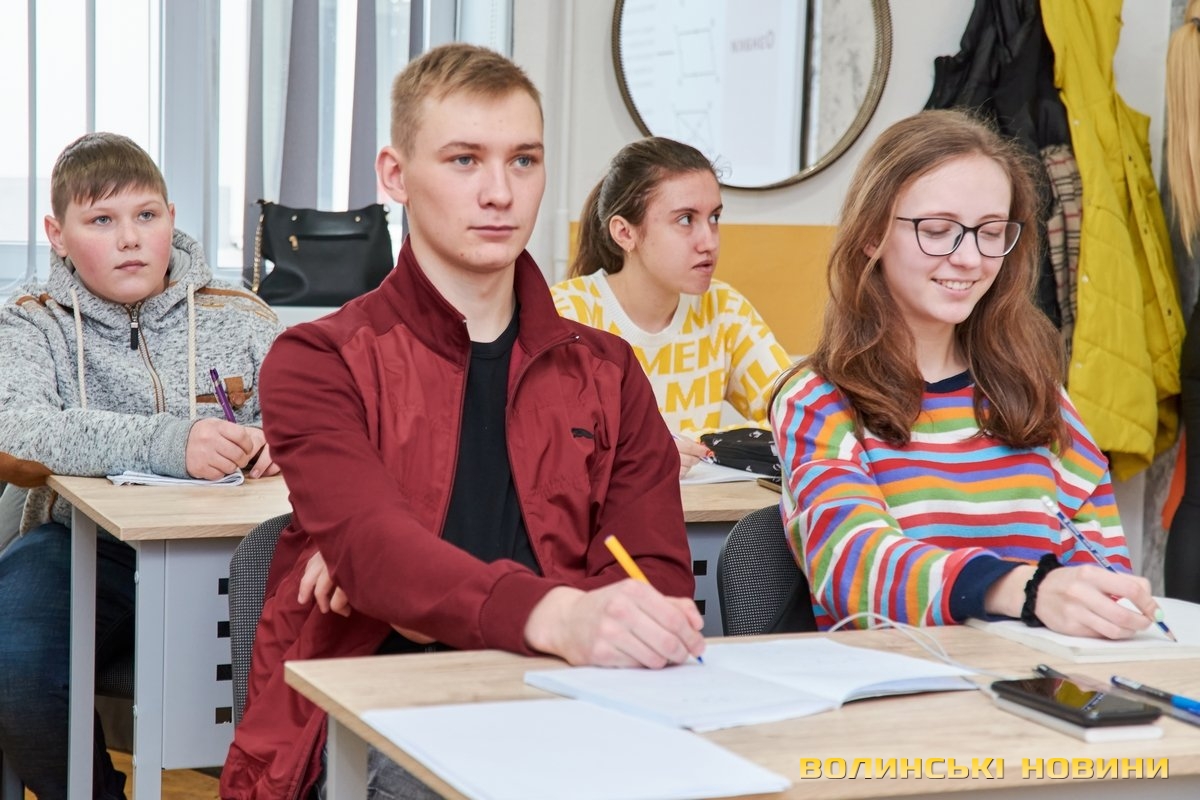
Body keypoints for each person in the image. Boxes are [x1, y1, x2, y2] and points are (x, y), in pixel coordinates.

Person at [221, 44, 703, 800]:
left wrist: (413, 589)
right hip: (371, 718)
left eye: (523, 161)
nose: (500, 193)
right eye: (464, 160)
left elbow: (652, 578)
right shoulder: (318, 359)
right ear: (395, 175)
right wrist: (555, 611)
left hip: (567, 702)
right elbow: (380, 552)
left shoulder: (608, 372)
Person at [771, 109, 1162, 639]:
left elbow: (1102, 565)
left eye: (991, 232)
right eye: (938, 231)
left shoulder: (1037, 394)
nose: (970, 258)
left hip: (1034, 678)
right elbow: (854, 568)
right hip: (898, 681)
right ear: (871, 235)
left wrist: (1109, 605)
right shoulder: (817, 399)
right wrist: (1022, 589)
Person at [0, 132, 284, 798]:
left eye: (146, 215)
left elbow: (319, 421)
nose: (130, 238)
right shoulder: (30, 320)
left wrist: (284, 440)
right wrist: (170, 442)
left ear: (171, 219)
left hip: (240, 552)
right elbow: (18, 433)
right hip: (85, 547)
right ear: (57, 235)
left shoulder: (243, 316)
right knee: (14, 664)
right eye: (101, 220)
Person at [551, 137, 791, 476]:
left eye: (714, 217)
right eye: (686, 220)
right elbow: (548, 447)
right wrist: (643, 455)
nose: (709, 241)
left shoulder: (723, 308)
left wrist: (693, 444)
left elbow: (800, 414)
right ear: (625, 233)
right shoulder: (566, 315)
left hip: (704, 510)